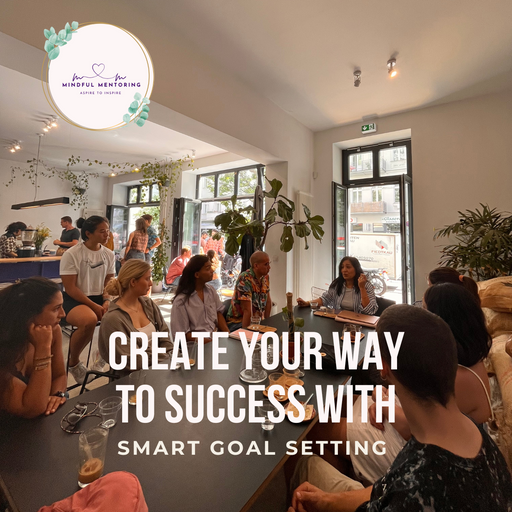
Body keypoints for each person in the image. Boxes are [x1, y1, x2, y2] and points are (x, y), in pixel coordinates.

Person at [289, 305, 512, 512]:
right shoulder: (476, 436)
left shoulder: (413, 489)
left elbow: (395, 491)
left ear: (383, 367)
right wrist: (326, 501)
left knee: (303, 453)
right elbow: (385, 488)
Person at [311, 283, 494, 487]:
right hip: (402, 417)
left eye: (424, 310)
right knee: (335, 402)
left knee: (315, 429)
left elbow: (412, 428)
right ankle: (351, 467)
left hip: (408, 444)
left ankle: (351, 489)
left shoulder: (456, 375)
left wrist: (383, 403)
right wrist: (381, 396)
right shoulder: (466, 359)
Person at [0, 278, 68, 418]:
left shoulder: (53, 330)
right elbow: (32, 408)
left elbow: (60, 375)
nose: (63, 314)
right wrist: (43, 349)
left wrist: (56, 396)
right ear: (29, 314)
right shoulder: (4, 348)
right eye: (56, 308)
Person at [60, 216, 115, 384]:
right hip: (74, 298)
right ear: (88, 234)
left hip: (100, 297)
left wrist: (106, 300)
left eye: (107, 231)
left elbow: (109, 282)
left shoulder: (109, 254)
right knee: (89, 320)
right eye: (102, 231)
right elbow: (70, 288)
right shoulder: (72, 254)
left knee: (122, 317)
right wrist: (94, 306)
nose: (107, 235)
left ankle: (103, 355)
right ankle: (73, 363)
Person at [98, 260, 173, 372]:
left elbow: (165, 337)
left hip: (160, 369)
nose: (151, 283)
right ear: (133, 282)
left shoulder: (148, 304)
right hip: (133, 378)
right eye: (147, 279)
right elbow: (132, 361)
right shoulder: (112, 319)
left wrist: (171, 356)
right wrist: (166, 357)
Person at [171, 255, 229, 341]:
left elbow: (218, 313)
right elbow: (181, 335)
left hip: (213, 338)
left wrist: (227, 333)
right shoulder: (181, 301)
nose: (212, 271)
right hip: (195, 345)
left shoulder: (210, 290)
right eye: (208, 268)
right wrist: (209, 341)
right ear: (197, 275)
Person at [297, 256, 377, 315]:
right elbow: (325, 299)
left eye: (348, 267)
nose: (344, 270)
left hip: (359, 324)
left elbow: (369, 311)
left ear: (356, 269)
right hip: (338, 321)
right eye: (342, 267)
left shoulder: (366, 285)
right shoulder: (337, 284)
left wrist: (362, 288)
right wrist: (307, 303)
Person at [226, 250, 271, 330]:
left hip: (256, 322)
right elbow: (247, 310)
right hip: (238, 322)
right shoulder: (245, 279)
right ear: (256, 266)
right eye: (266, 264)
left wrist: (267, 323)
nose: (269, 267)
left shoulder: (265, 277)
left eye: (269, 264)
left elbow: (268, 301)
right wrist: (247, 333)